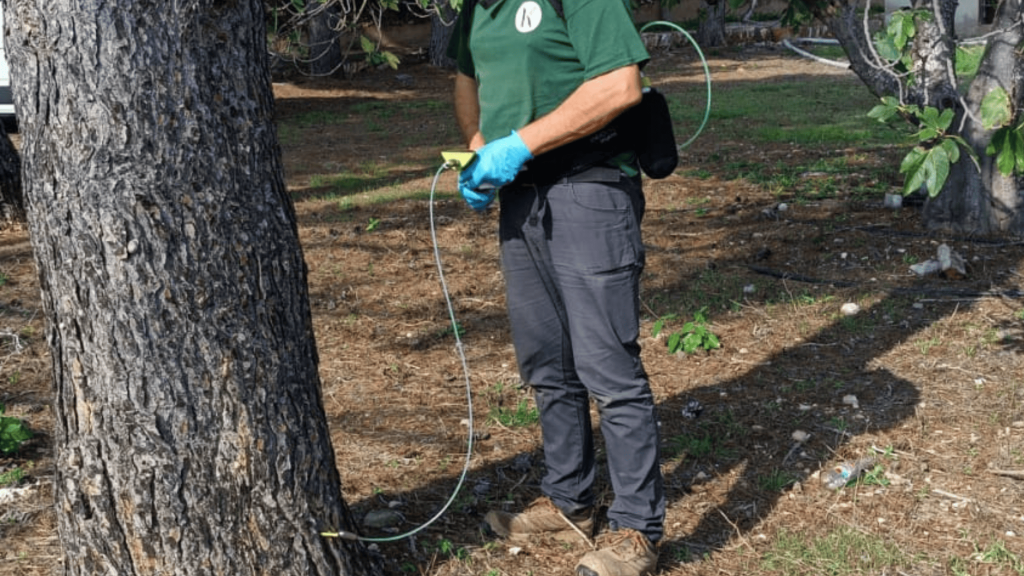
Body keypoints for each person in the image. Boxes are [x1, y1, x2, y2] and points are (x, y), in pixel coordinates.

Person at [446, 1, 665, 575]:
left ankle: (637, 529)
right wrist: (479, 144)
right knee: (547, 361)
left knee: (608, 367)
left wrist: (520, 143)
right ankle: (570, 501)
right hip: (522, 199)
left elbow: (620, 85)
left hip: (589, 187)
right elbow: (467, 76)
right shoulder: (476, 7)